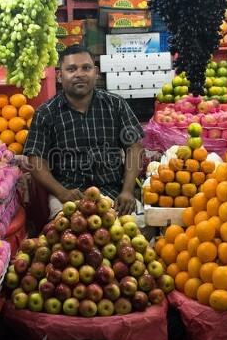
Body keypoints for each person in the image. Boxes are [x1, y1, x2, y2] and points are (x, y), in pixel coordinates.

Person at [24, 45, 145, 221]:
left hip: (113, 192)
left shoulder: (116, 105)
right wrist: (62, 192)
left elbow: (134, 147)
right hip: (68, 195)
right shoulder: (46, 113)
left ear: (95, 73)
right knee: (66, 239)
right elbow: (35, 159)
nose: (80, 74)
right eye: (71, 69)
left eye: (86, 68)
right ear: (59, 75)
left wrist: (127, 190)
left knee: (141, 226)